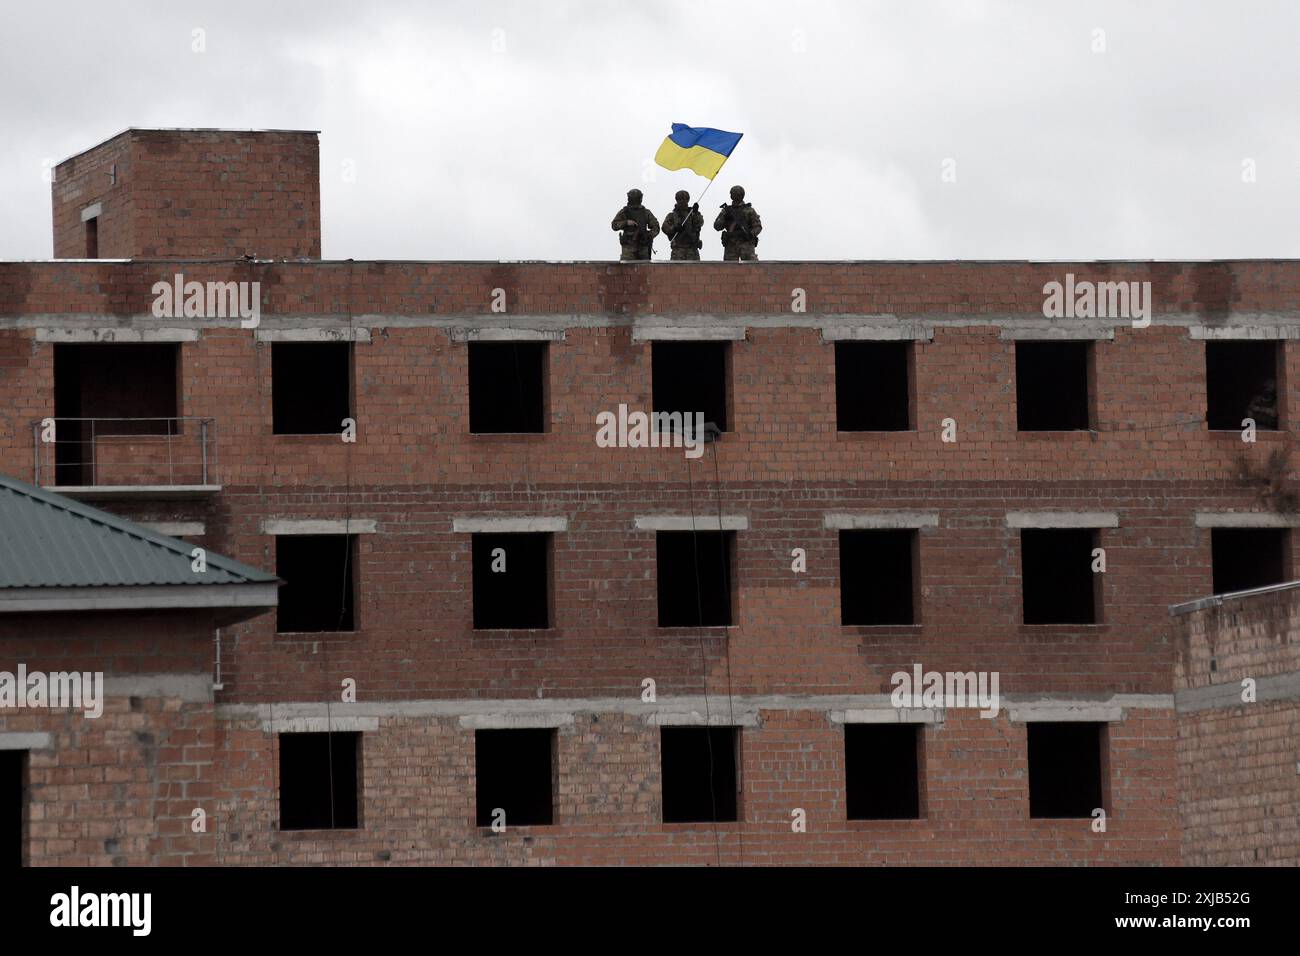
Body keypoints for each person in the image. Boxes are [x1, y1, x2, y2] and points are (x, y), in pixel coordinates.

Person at [713, 185, 762, 261]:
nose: (734, 195)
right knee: (729, 269)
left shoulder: (749, 210)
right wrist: (725, 218)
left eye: (736, 194)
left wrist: (750, 234)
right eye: (733, 194)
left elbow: (758, 226)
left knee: (751, 267)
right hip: (731, 244)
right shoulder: (726, 210)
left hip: (746, 244)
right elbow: (717, 226)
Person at [610, 188, 660, 261]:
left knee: (644, 269)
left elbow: (656, 227)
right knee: (627, 268)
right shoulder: (624, 211)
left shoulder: (645, 212)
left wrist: (649, 235)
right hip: (629, 247)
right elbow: (614, 225)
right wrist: (626, 222)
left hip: (643, 246)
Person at [661, 190, 704, 261]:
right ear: (677, 200)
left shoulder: (692, 214)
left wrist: (696, 213)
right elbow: (664, 228)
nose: (683, 201)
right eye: (680, 199)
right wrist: (674, 228)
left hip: (692, 249)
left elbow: (700, 223)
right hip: (678, 249)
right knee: (676, 270)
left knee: (695, 271)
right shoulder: (672, 215)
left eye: (685, 199)